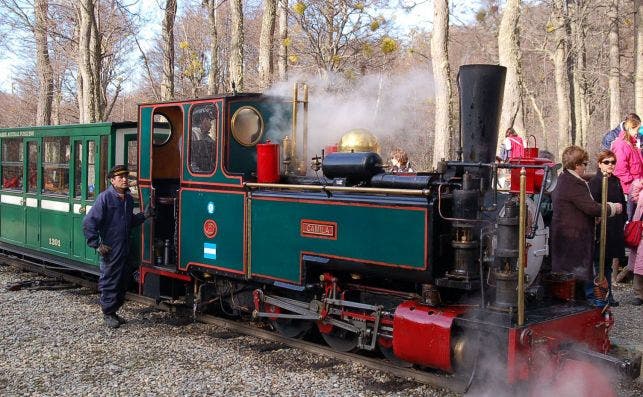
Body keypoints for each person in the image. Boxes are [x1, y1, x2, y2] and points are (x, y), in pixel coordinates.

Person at [82, 165, 155, 328]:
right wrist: (96, 244)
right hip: (111, 247)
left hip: (124, 246)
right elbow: (88, 222)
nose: (124, 180)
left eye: (126, 177)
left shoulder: (128, 199)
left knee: (122, 281)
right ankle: (108, 313)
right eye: (120, 177)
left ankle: (113, 311)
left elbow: (129, 222)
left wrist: (144, 215)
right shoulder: (105, 198)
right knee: (109, 280)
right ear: (112, 180)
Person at [550, 146, 623, 303]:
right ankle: (589, 303)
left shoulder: (563, 179)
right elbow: (591, 208)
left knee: (571, 275)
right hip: (574, 237)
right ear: (577, 165)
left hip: (566, 234)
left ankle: (575, 300)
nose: (585, 167)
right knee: (578, 274)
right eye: (584, 164)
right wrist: (612, 207)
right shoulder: (574, 184)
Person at [588, 150, 626, 306]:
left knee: (608, 265)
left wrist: (623, 221)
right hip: (601, 229)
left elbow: (622, 203)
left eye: (613, 162)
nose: (610, 165)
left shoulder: (616, 181)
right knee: (598, 265)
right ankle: (599, 296)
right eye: (607, 162)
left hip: (614, 229)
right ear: (599, 164)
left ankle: (607, 295)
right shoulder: (595, 182)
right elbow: (592, 206)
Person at [610, 113, 643, 220]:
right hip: (628, 191)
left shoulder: (633, 144)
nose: (638, 133)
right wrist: (635, 182)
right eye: (636, 130)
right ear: (630, 128)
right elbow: (620, 170)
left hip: (637, 190)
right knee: (630, 220)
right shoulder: (621, 145)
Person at [627, 183, 643, 306]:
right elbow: (633, 198)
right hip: (640, 231)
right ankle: (638, 294)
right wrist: (639, 183)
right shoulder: (640, 186)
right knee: (640, 264)